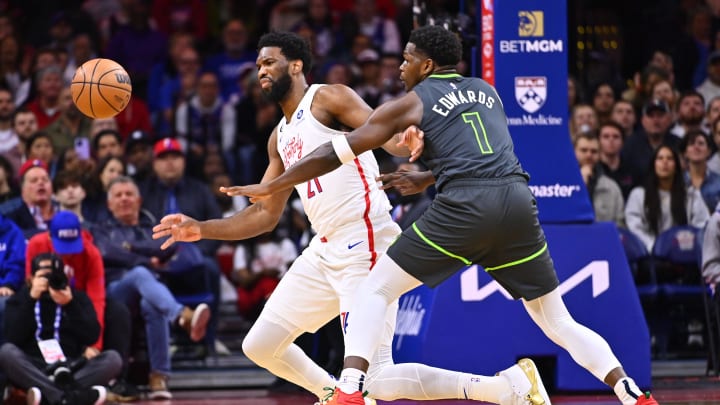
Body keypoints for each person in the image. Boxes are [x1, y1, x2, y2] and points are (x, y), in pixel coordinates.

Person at [217, 26, 661, 405]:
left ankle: (349, 389)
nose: (400, 69)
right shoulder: (487, 92)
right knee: (558, 321)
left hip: (460, 209)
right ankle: (631, 392)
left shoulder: (408, 103)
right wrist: (426, 178)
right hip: (516, 204)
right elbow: (479, 153)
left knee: (374, 289)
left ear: (426, 65)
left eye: (407, 61)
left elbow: (338, 151)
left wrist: (272, 185)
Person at [153, 31, 548, 405]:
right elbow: (264, 216)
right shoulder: (278, 137)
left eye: (270, 62)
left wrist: (403, 139)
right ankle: (335, 395)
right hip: (323, 249)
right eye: (258, 65)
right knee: (259, 344)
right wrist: (200, 229)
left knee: (376, 376)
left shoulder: (328, 98)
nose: (261, 71)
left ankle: (505, 388)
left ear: (295, 66)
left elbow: (383, 130)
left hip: (367, 239)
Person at [91, 175, 211, 400]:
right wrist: (147, 257)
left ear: (139, 200)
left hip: (151, 292)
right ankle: (182, 315)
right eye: (118, 195)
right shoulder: (101, 229)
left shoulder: (152, 226)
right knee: (140, 273)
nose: (124, 199)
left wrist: (131, 249)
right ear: (109, 204)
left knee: (151, 303)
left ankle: (159, 376)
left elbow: (167, 248)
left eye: (129, 194)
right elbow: (107, 251)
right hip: (116, 291)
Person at [0, 252, 122, 405]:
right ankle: (71, 397)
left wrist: (69, 305)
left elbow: (92, 336)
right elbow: (13, 337)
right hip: (35, 366)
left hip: (72, 365)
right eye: (44, 276)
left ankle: (48, 396)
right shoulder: (19, 299)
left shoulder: (78, 298)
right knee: (6, 352)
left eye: (54, 276)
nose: (49, 281)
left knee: (113, 359)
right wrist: (31, 299)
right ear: (30, 279)